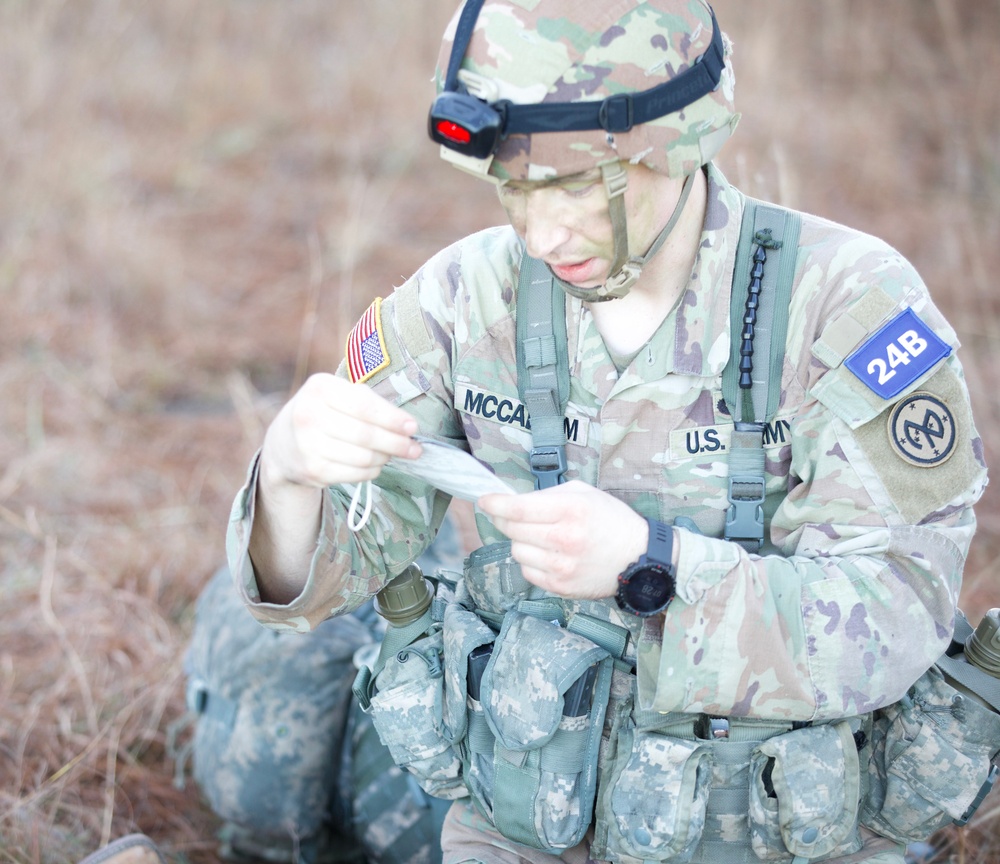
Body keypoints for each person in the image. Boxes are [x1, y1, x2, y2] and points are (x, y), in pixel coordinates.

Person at [226, 1, 991, 862]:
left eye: (578, 189)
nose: (543, 235)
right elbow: (320, 584)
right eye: (514, 190)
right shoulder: (465, 300)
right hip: (525, 834)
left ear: (680, 142)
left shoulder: (846, 307)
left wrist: (653, 567)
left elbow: (898, 613)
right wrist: (289, 477)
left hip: (790, 841)